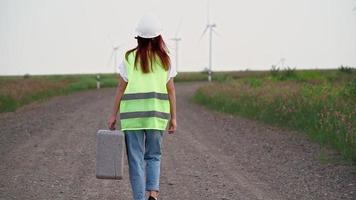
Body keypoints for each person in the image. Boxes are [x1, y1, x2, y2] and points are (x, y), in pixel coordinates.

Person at [107, 13, 177, 200]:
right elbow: (171, 91)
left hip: (132, 118)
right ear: (158, 37)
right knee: (153, 156)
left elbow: (120, 89)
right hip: (156, 117)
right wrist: (174, 118)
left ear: (138, 37)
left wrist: (113, 115)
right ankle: (152, 192)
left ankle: (139, 198)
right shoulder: (165, 60)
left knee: (136, 161)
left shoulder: (129, 58)